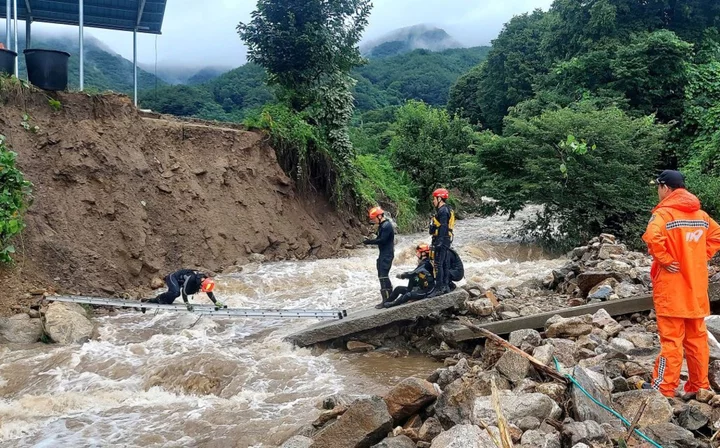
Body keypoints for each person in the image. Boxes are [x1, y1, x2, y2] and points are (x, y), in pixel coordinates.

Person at [640, 170, 720, 397]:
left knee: (671, 342)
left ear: (665, 188)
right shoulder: (701, 216)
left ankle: (663, 389)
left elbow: (651, 237)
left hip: (672, 291)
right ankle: (699, 386)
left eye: (658, 187)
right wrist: (700, 256)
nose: (657, 191)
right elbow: (717, 235)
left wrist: (665, 260)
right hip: (695, 291)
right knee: (697, 340)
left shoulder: (663, 215)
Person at [377, 243, 435, 308]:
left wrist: (403, 275)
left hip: (427, 291)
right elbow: (415, 276)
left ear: (423, 253)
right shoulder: (422, 263)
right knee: (398, 289)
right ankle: (386, 302)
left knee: (408, 295)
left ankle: (393, 304)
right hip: (420, 288)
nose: (416, 254)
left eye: (418, 252)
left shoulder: (426, 264)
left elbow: (413, 273)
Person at [142, 269, 224, 311]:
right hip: (173, 278)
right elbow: (184, 292)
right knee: (176, 293)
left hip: (180, 282)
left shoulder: (204, 279)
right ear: (202, 283)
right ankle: (154, 300)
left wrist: (215, 302)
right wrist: (187, 304)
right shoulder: (192, 279)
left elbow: (208, 291)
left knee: (168, 302)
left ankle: (147, 300)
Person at [363, 206, 395, 306]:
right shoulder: (383, 225)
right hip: (384, 253)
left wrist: (369, 242)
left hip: (387, 254)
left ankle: (387, 300)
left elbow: (382, 240)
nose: (374, 221)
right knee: (382, 275)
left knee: (383, 276)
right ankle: (389, 298)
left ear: (380, 216)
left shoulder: (386, 226)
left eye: (374, 219)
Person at [428, 188, 455, 297]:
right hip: (445, 240)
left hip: (442, 240)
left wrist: (439, 242)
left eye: (434, 199)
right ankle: (445, 286)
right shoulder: (446, 209)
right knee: (443, 263)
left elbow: (443, 226)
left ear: (439, 198)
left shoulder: (443, 211)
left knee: (438, 264)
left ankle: (439, 288)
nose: (433, 201)